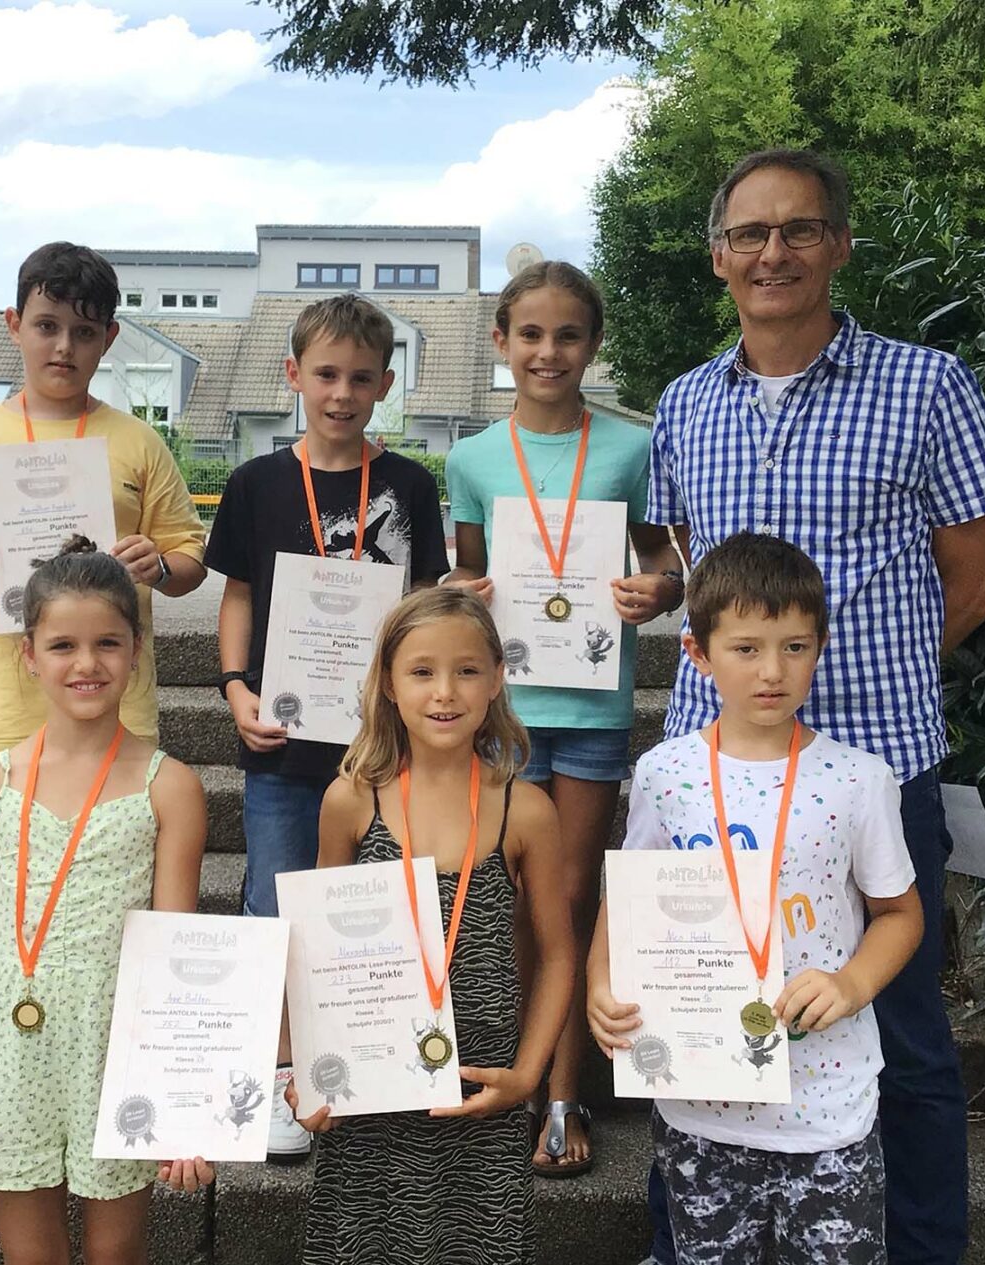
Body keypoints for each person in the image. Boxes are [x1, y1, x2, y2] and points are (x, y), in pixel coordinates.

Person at [634, 149, 985, 1263]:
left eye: (799, 229)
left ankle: (922, 1249)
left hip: (875, 765)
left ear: (840, 245)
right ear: (718, 257)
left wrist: (876, 673)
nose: (774, 252)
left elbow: (976, 582)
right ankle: (690, 1239)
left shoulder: (928, 385)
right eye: (750, 234)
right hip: (713, 775)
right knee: (703, 1009)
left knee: (903, 1030)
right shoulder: (685, 402)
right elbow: (699, 569)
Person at [591, 533, 923, 1264]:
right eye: (746, 648)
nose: (773, 670)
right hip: (698, 1105)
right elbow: (630, 895)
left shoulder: (859, 780)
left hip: (827, 1107)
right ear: (697, 652)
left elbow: (900, 914)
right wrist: (600, 982)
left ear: (820, 647)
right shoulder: (664, 773)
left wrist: (851, 983)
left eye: (795, 647)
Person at [444, 260, 682, 1175]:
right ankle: (513, 1071)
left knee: (574, 894)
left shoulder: (631, 446)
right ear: (501, 342)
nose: (549, 352)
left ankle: (563, 1090)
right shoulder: (472, 457)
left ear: (593, 344)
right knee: (508, 895)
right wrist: (461, 589)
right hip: (504, 713)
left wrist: (658, 591)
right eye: (532, 335)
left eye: (569, 335)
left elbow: (666, 563)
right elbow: (466, 577)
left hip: (589, 707)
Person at [204, 292, 450, 1163]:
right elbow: (237, 596)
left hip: (382, 748)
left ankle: (369, 1064)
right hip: (281, 744)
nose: (342, 393)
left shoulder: (411, 486)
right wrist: (235, 686)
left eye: (360, 378)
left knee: (374, 911)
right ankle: (281, 1076)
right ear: (294, 376)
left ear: (386, 383)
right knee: (275, 906)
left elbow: (425, 606)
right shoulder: (256, 483)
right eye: (326, 375)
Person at [0, 537, 212, 1265]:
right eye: (62, 645)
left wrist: (182, 1098)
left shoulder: (169, 786)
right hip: (8, 1049)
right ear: (28, 654)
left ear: (137, 650)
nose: (86, 663)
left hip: (117, 1045)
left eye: (107, 643)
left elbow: (175, 957)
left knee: (116, 1254)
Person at [287, 586, 574, 1263]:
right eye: (422, 671)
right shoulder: (351, 801)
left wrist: (527, 1075)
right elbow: (314, 952)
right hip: (369, 1094)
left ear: (497, 678)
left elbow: (559, 954)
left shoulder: (526, 809)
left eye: (467, 670)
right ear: (388, 683)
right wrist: (306, 1072)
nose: (445, 691)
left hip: (481, 1090)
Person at [0, 242, 207, 762]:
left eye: (84, 332)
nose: (64, 347)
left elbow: (190, 561)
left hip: (115, 710)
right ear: (14, 324)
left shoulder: (138, 442)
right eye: (47, 326)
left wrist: (159, 567)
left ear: (109, 338)